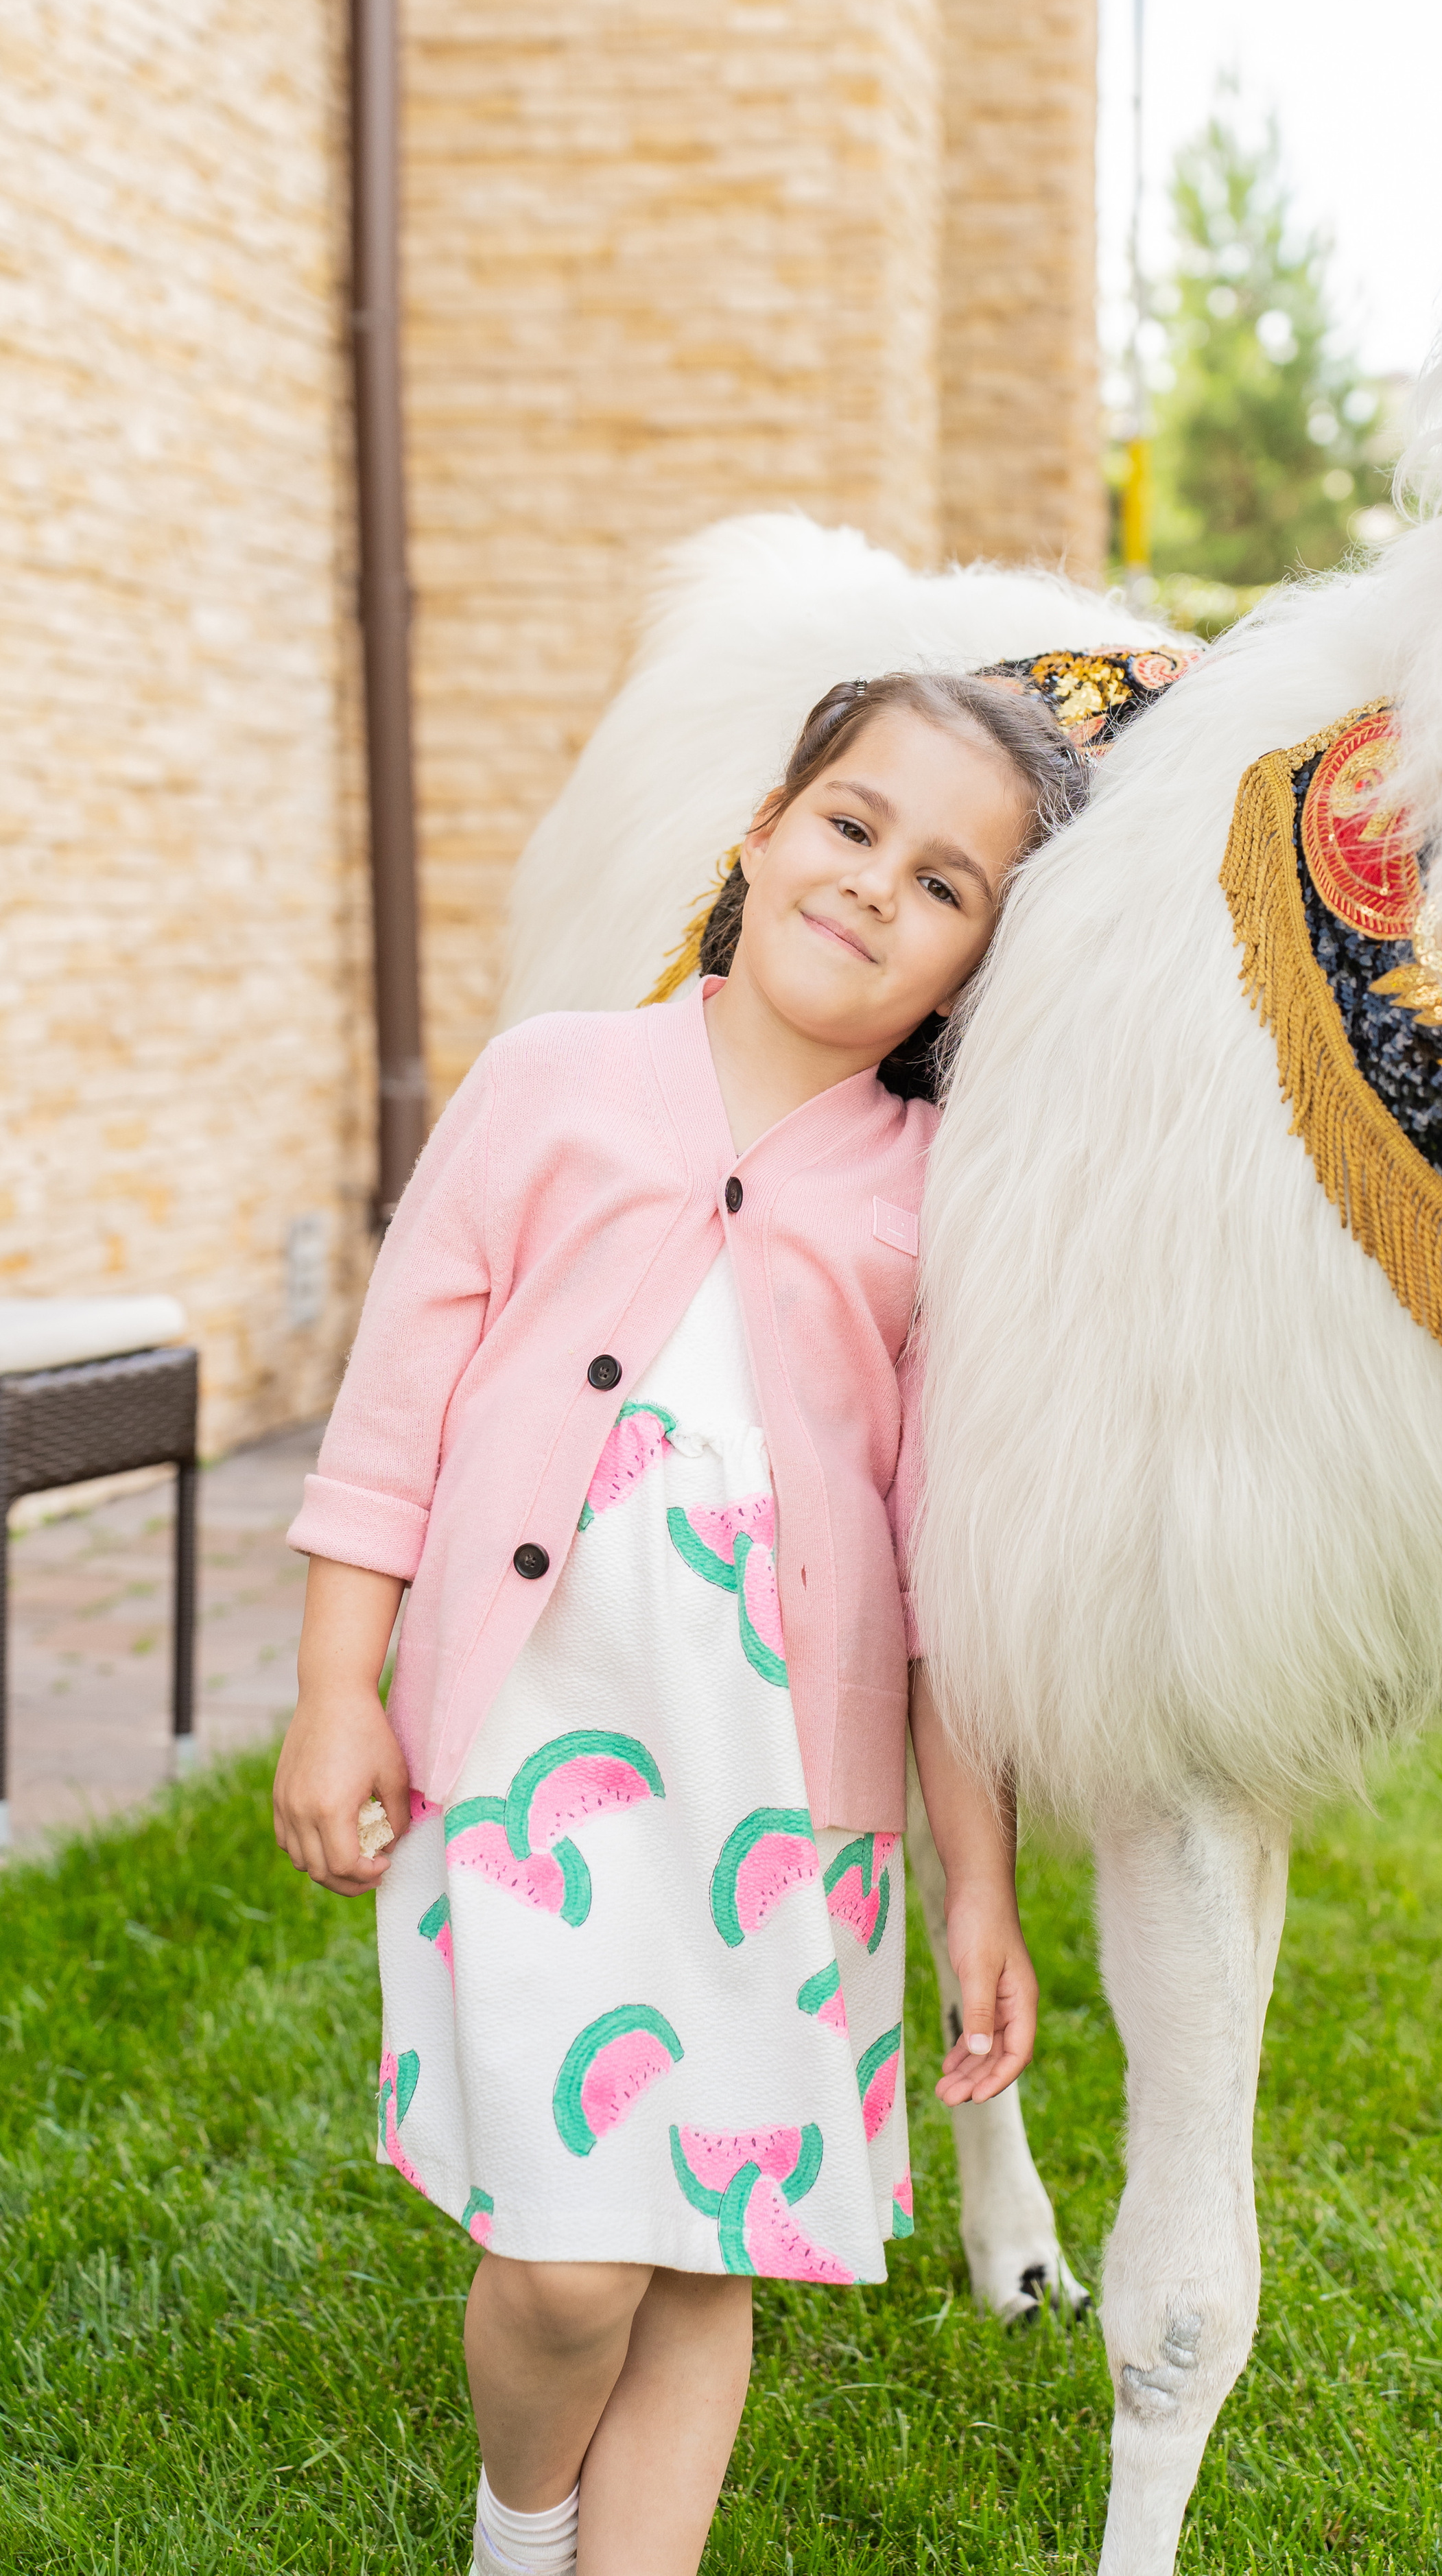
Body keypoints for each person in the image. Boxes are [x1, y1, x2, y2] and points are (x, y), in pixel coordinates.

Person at [270, 669, 1085, 2576]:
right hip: (538, 1763)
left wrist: (978, 1884)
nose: (881, 885)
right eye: (855, 825)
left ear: (974, 969)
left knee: (706, 2249)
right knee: (568, 2272)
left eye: (948, 883)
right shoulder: (554, 1081)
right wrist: (333, 1687)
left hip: (781, 1827)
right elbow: (392, 1411)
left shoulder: (933, 1199)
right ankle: (519, 2521)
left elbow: (943, 1572)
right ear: (762, 834)